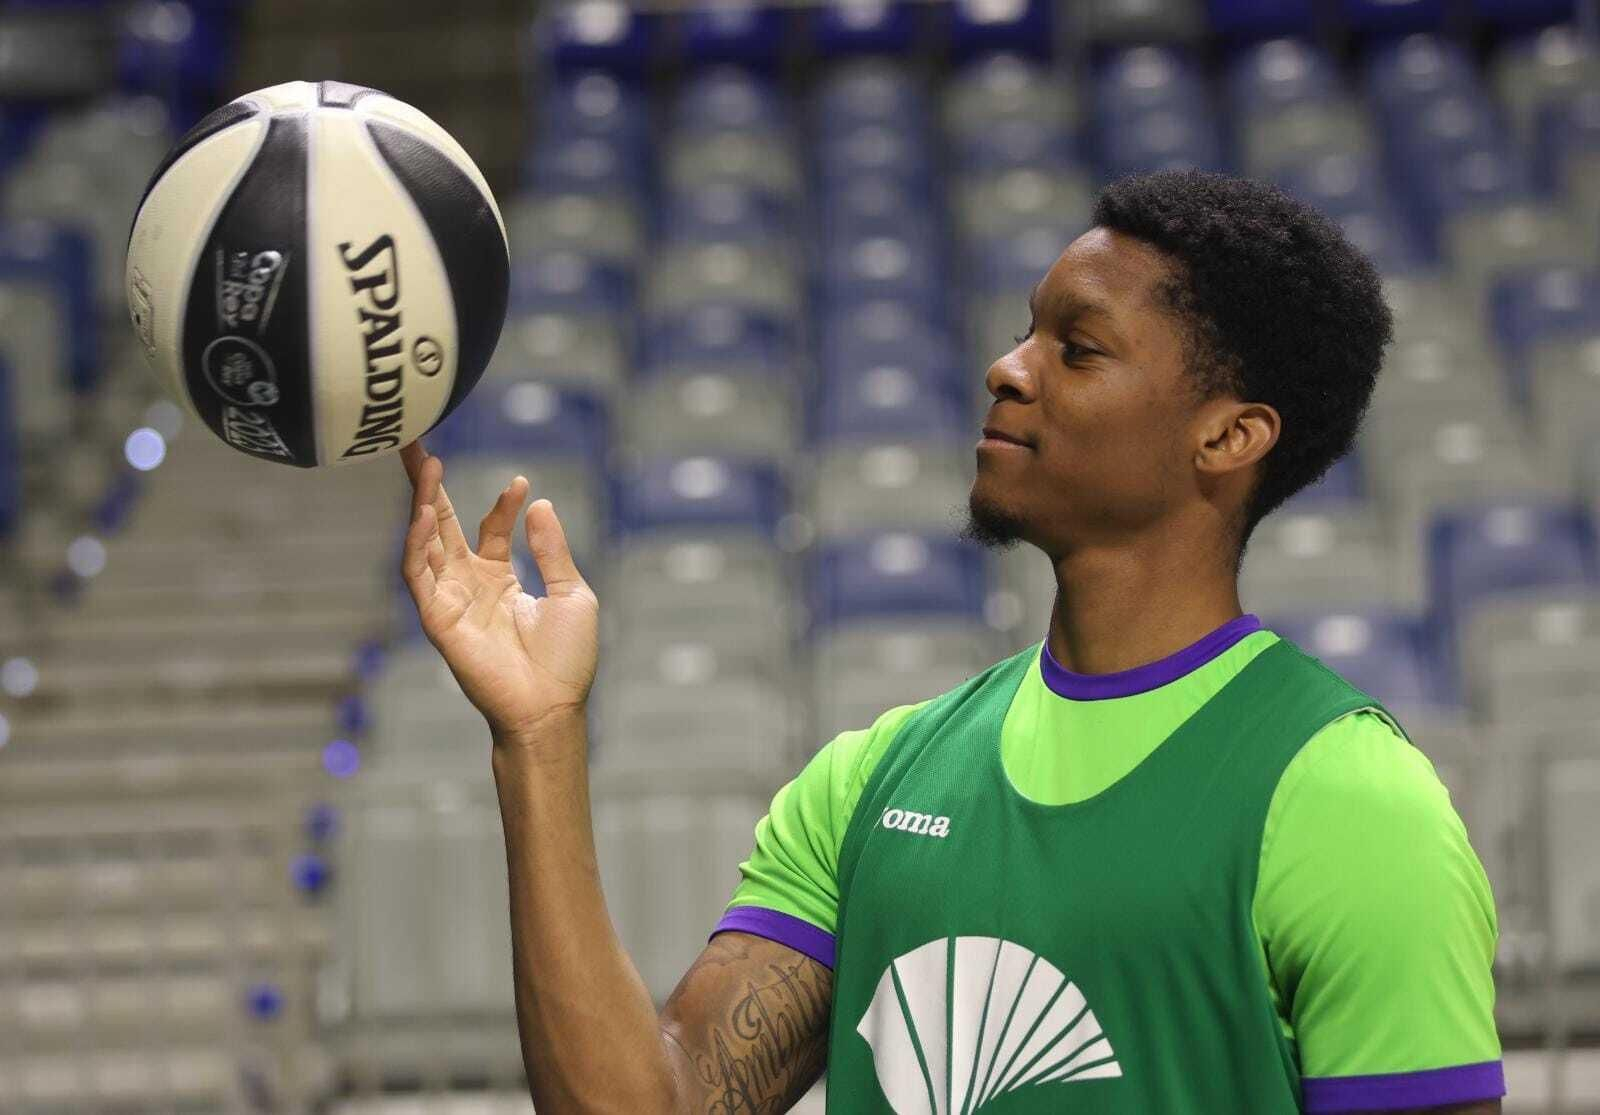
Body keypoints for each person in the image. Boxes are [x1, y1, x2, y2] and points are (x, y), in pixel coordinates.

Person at [398, 170, 1503, 1114]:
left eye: (1076, 349)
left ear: (1226, 433)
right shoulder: (873, 776)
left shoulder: (1347, 798)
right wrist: (537, 737)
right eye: (1027, 329)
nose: (1007, 366)